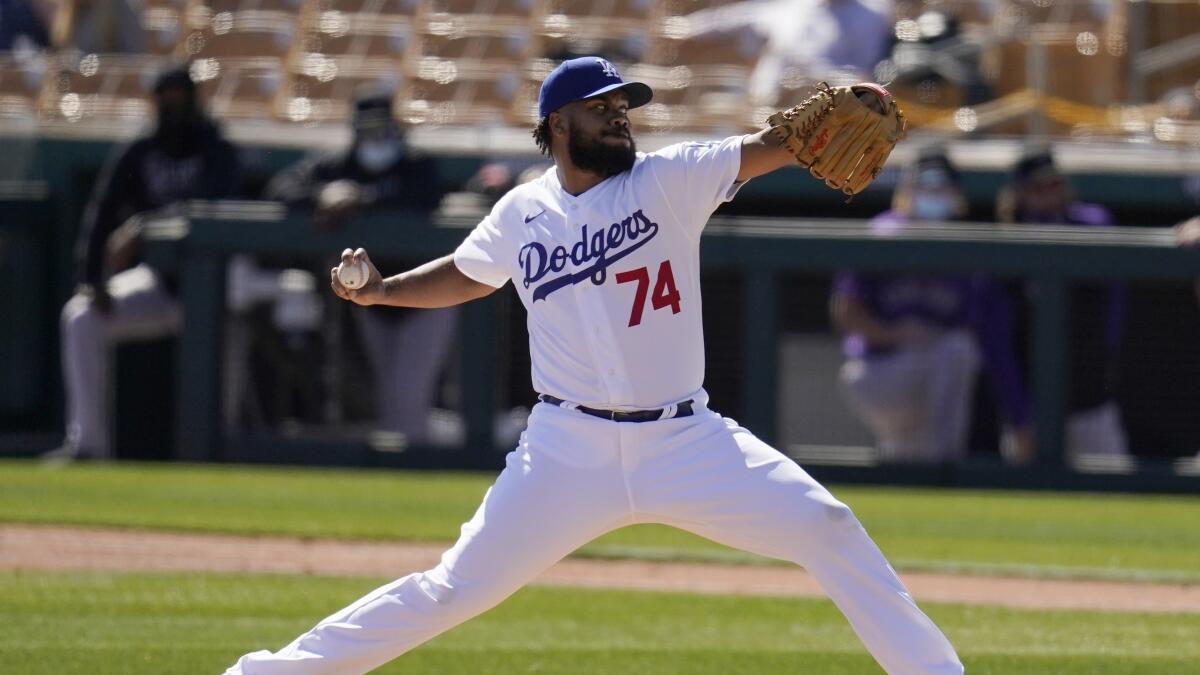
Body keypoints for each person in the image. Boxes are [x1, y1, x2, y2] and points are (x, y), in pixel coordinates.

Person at [225, 56, 962, 674]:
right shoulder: (520, 211)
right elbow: (470, 271)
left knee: (827, 526)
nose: (619, 115)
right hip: (565, 449)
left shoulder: (670, 178)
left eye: (624, 105)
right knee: (452, 588)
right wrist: (384, 291)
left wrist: (823, 122)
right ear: (557, 125)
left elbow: (774, 145)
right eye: (601, 106)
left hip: (686, 441)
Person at [47, 64, 239, 462]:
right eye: (164, 98)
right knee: (81, 317)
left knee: (235, 339)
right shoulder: (140, 150)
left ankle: (227, 447)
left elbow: (213, 208)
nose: (171, 107)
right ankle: (87, 446)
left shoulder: (216, 148)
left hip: (217, 288)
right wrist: (92, 279)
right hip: (158, 284)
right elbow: (100, 216)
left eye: (178, 98)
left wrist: (143, 227)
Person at [265, 88, 452, 443]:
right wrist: (326, 194)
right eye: (367, 127)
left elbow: (425, 195)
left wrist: (361, 198)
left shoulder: (415, 164)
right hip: (372, 299)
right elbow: (281, 188)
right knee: (387, 399)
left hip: (423, 295)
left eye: (381, 126)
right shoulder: (340, 164)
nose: (375, 136)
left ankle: (413, 475)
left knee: (407, 400)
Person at [833, 149, 1032, 462]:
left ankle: (933, 464)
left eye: (942, 187)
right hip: (880, 367)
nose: (934, 194)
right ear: (907, 190)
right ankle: (939, 463)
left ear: (956, 195)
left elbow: (990, 337)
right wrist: (895, 334)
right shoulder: (883, 234)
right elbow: (845, 311)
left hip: (933, 365)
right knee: (952, 353)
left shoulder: (966, 250)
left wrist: (1019, 418)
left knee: (958, 351)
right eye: (925, 186)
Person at [997, 148, 1130, 461]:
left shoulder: (1091, 225)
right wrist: (1020, 416)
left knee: (1112, 492)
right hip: (1032, 406)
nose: (1047, 194)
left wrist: (1107, 357)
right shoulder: (1005, 247)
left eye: (1053, 185)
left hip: (1090, 398)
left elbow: (1115, 304)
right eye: (1037, 187)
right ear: (1019, 193)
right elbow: (997, 343)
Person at [683, 0, 894, 106]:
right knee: (777, 55)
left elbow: (864, 73)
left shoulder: (873, 15)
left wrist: (810, 77)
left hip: (827, 96)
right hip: (769, 96)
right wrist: (685, 29)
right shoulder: (795, 5)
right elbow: (734, 19)